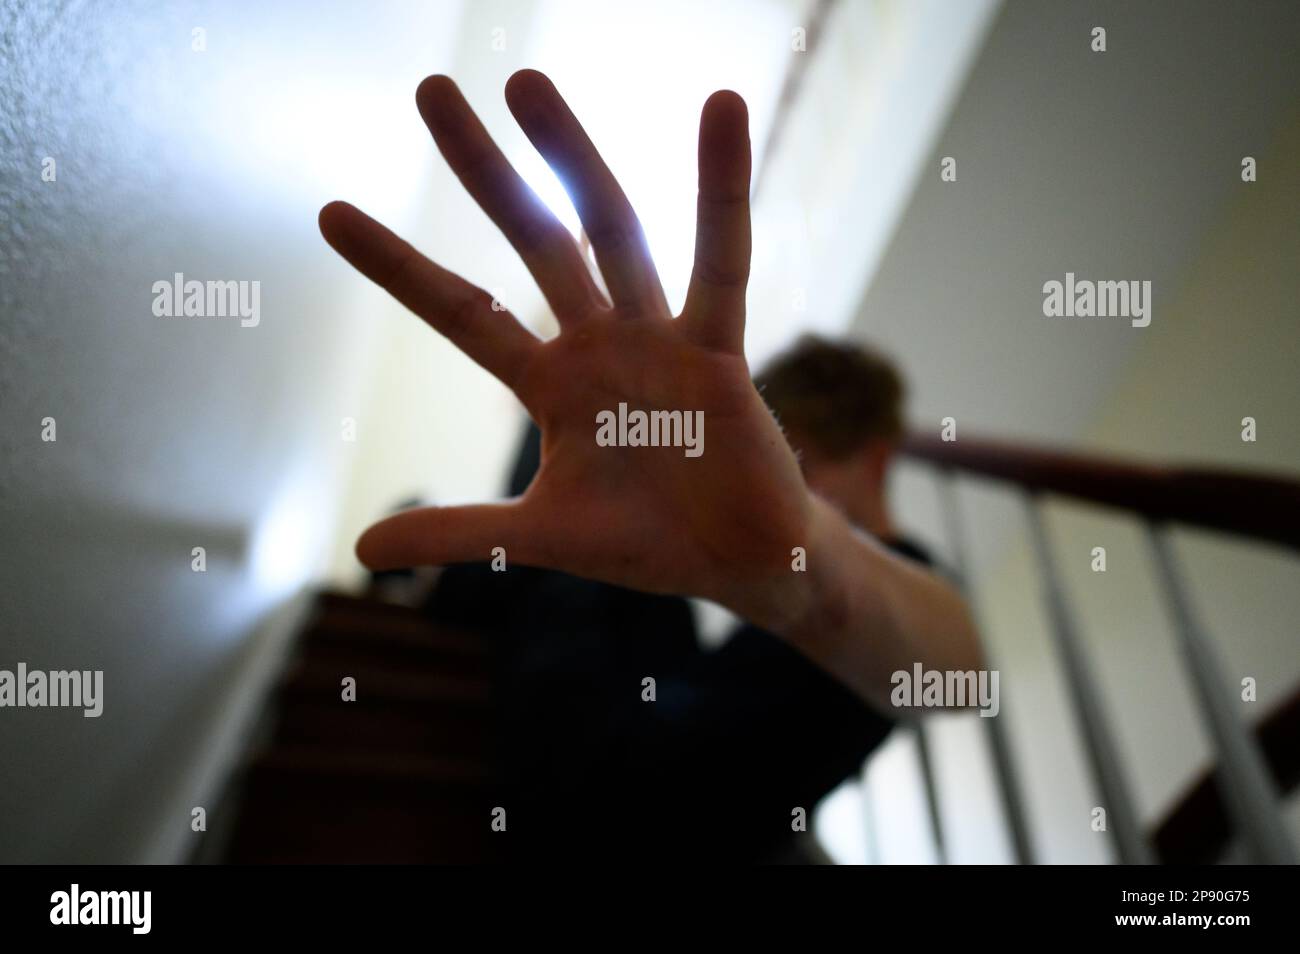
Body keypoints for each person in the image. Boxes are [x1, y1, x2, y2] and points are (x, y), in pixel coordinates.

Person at [318, 70, 983, 857]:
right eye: (783, 459)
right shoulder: (700, 614)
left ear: (875, 459)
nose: (784, 483)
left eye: (804, 464)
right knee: (596, 498)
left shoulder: (907, 582)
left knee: (572, 529)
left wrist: (810, 567)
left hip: (642, 803)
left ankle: (450, 580)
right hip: (624, 738)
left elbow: (963, 672)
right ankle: (457, 577)